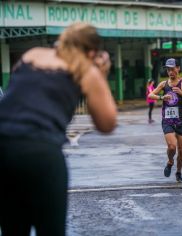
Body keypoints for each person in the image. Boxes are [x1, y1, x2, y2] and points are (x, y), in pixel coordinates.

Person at [0, 23, 117, 236]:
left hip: (2, 146)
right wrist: (100, 75)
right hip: (40, 152)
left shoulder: (32, 54)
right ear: (91, 52)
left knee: (12, 229)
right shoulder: (85, 69)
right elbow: (107, 124)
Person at [148, 58, 182, 182]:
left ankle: (178, 172)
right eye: (168, 69)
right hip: (168, 120)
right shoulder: (164, 84)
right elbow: (150, 95)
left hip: (181, 120)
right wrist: (162, 96)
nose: (170, 72)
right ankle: (170, 161)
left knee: (181, 149)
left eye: (172, 69)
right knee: (172, 147)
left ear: (178, 68)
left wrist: (181, 92)